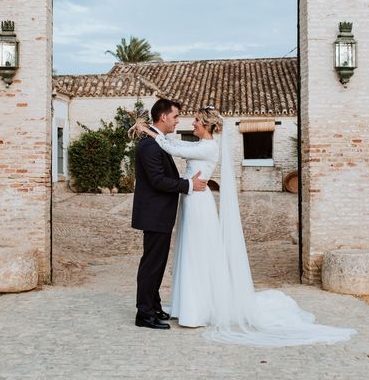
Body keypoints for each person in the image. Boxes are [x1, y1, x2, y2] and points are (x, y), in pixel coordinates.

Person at [134, 106, 357, 346]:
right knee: (185, 254)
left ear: (208, 125)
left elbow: (173, 147)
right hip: (188, 201)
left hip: (198, 203)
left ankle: (188, 307)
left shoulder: (207, 146)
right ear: (164, 116)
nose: (191, 123)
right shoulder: (190, 145)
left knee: (197, 253)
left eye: (197, 120)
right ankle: (173, 306)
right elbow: (175, 150)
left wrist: (148, 130)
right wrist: (154, 136)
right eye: (183, 117)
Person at [132, 98, 207, 330]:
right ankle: (144, 314)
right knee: (151, 264)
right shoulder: (149, 146)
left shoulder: (158, 142)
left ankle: (153, 306)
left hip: (159, 213)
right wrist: (189, 185)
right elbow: (157, 181)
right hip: (153, 213)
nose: (178, 121)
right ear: (163, 117)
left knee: (157, 263)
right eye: (175, 116)